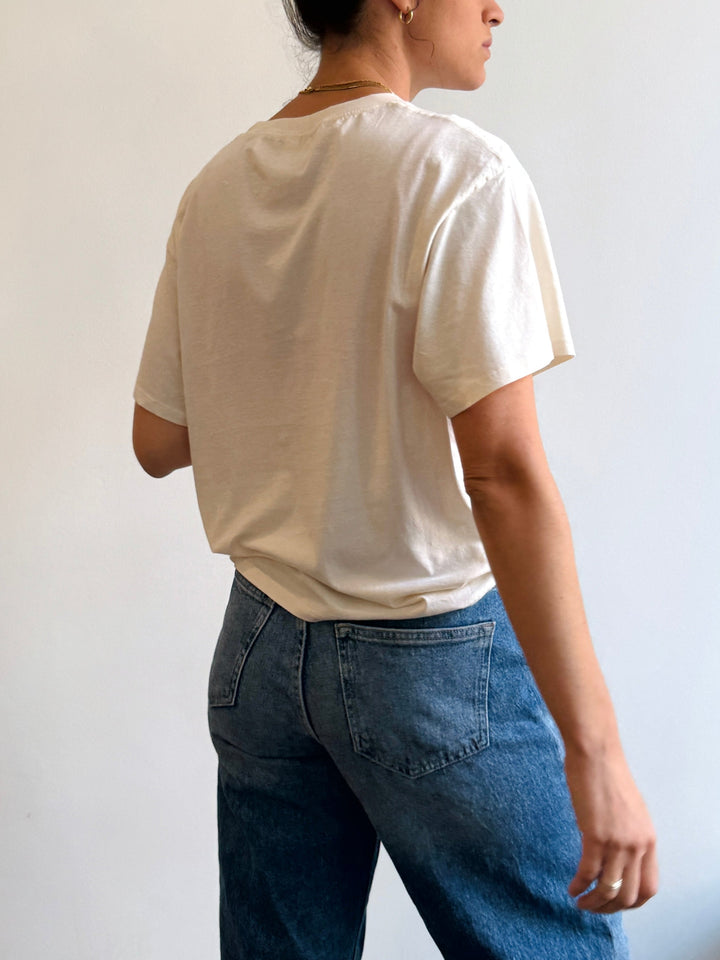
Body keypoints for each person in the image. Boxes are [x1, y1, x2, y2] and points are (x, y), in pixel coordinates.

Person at [132, 0, 658, 956]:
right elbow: (500, 471)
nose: (501, 7)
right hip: (427, 655)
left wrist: (296, 378)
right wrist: (599, 755)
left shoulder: (217, 187)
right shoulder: (457, 170)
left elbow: (158, 438)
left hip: (258, 648)